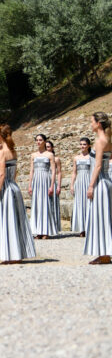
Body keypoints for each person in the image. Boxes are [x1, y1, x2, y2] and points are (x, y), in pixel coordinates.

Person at [0, 124, 35, 264]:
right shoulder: (13, 151)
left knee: (7, 220)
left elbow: (1, 174)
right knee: (16, 220)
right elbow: (14, 172)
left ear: (0, 136)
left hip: (6, 189)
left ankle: (9, 255)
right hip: (14, 187)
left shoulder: (2, 153)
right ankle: (17, 254)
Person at [83, 112, 112, 264]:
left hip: (100, 182)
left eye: (92, 121)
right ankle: (104, 252)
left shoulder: (100, 141)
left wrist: (90, 185)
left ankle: (105, 254)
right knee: (104, 215)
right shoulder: (108, 140)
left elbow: (98, 165)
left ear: (98, 124)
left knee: (101, 216)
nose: (91, 124)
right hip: (107, 181)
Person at [29, 134, 57, 239]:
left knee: (45, 204)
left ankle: (45, 231)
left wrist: (51, 185)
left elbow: (53, 171)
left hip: (45, 180)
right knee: (36, 204)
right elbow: (31, 171)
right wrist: (30, 185)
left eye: (40, 140)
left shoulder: (50, 155)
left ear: (44, 141)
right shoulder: (33, 155)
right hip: (36, 180)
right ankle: (37, 231)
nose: (38, 142)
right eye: (37, 140)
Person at [70, 137, 92, 237]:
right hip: (79, 182)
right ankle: (82, 229)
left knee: (88, 204)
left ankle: (89, 227)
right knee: (80, 203)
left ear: (88, 146)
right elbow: (74, 172)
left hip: (88, 181)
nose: (82, 146)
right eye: (81, 144)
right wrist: (72, 185)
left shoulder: (92, 157)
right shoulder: (76, 158)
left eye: (84, 144)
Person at [46, 140, 62, 231]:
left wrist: (59, 186)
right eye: (46, 147)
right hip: (43, 182)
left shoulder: (56, 159)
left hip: (52, 182)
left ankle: (54, 226)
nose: (47, 149)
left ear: (52, 148)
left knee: (53, 203)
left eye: (48, 147)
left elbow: (59, 173)